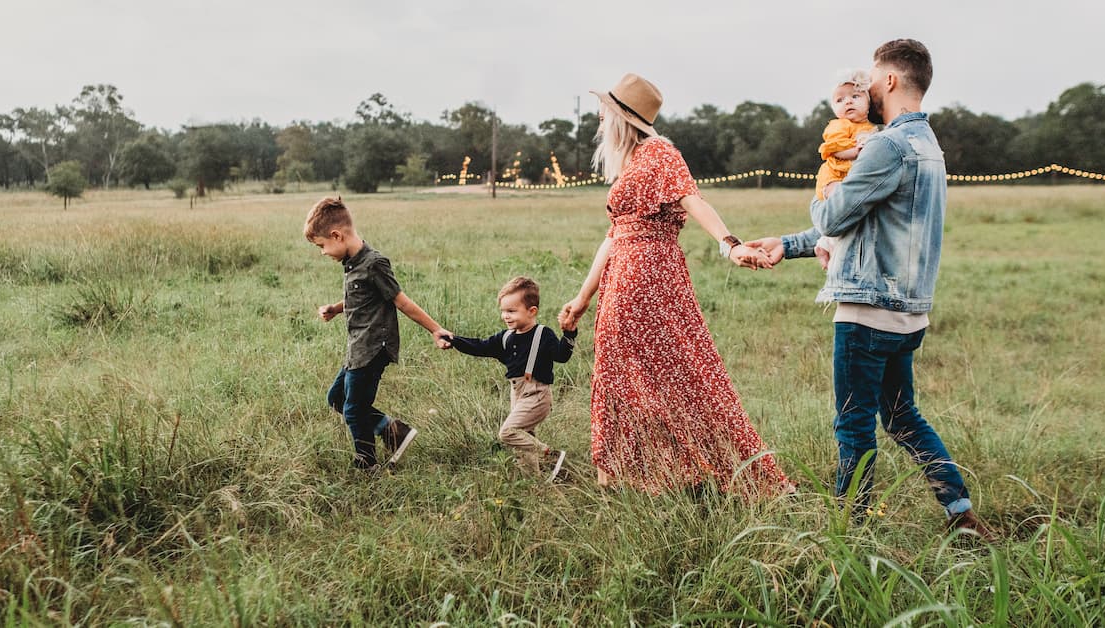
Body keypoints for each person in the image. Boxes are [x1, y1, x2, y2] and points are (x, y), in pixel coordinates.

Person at [746, 40, 995, 539]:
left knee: (853, 423)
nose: (865, 88)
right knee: (903, 417)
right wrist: (788, 244)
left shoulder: (886, 145)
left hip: (868, 311)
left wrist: (826, 192)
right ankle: (961, 513)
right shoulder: (928, 145)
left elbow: (836, 214)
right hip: (909, 313)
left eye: (872, 78)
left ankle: (849, 529)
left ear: (891, 81)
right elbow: (867, 223)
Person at [557, 73, 793, 496]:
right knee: (622, 374)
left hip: (648, 277)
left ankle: (704, 470)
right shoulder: (630, 162)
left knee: (680, 373)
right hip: (623, 277)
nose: (597, 118)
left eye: (603, 111)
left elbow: (693, 199)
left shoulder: (660, 153)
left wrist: (729, 244)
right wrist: (582, 297)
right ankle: (632, 474)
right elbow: (613, 236)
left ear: (621, 117)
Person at [305, 196, 453, 470]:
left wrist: (436, 330)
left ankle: (367, 463)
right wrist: (336, 309)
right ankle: (393, 431)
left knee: (353, 409)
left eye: (322, 246)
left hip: (373, 347)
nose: (322, 252)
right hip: (357, 347)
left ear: (337, 235)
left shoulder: (374, 263)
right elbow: (361, 298)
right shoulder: (351, 263)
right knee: (336, 398)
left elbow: (401, 301)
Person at [444, 276, 577, 481]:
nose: (505, 316)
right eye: (503, 311)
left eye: (512, 311)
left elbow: (562, 356)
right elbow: (480, 346)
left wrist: (569, 334)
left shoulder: (543, 334)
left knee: (509, 432)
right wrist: (453, 340)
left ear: (532, 311)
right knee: (523, 442)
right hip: (516, 393)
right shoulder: (506, 337)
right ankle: (533, 482)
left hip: (537, 394)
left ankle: (550, 456)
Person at [813, 69, 878, 270]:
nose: (848, 102)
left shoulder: (870, 127)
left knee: (851, 213)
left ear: (868, 103)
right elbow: (833, 149)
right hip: (834, 176)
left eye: (855, 96)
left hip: (849, 176)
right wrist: (855, 151)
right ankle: (828, 246)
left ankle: (825, 244)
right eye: (840, 100)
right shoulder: (839, 125)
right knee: (842, 204)